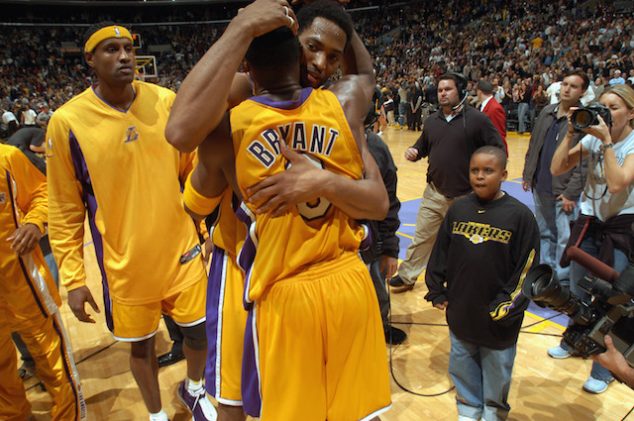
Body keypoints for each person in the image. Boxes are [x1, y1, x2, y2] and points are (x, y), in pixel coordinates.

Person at [168, 1, 386, 419]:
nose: (321, 63)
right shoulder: (239, 91)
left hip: (301, 278)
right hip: (245, 269)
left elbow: (364, 79)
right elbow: (180, 130)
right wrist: (244, 27)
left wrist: (322, 181)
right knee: (234, 398)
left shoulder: (336, 103)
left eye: (334, 56)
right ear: (290, 36)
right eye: (312, 46)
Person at [46, 23, 215, 421]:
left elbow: (194, 171)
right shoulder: (67, 122)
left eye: (127, 48)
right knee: (141, 346)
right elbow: (63, 207)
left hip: (182, 251)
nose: (124, 56)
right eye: (110, 49)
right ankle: (156, 414)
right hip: (126, 263)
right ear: (90, 58)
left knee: (198, 331)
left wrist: (206, 230)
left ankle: (194, 390)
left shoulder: (166, 100)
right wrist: (73, 279)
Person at [425, 146, 539, 421]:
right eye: (474, 170)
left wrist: (508, 304)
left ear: (503, 174)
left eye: (488, 171)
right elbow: (441, 251)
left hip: (499, 316)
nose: (479, 176)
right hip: (462, 308)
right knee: (462, 361)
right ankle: (468, 408)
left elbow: (527, 268)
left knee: (497, 368)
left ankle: (494, 412)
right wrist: (436, 287)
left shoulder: (520, 216)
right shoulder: (458, 210)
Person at [550, 83, 634, 394]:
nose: (606, 113)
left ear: (631, 113)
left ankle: (605, 369)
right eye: (603, 106)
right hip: (589, 221)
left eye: (614, 107)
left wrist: (607, 142)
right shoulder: (592, 138)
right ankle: (574, 342)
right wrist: (572, 133)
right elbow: (557, 167)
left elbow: (616, 185)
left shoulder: (627, 143)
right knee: (576, 289)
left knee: (612, 301)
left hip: (621, 229)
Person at [389, 72, 504, 292]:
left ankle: (467, 282)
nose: (443, 93)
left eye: (448, 89)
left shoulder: (477, 120)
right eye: (440, 90)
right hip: (435, 191)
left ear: (459, 91)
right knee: (422, 237)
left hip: (466, 196)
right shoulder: (432, 120)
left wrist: (488, 178)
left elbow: (496, 148)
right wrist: (414, 151)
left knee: (467, 243)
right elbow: (422, 146)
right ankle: (407, 276)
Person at [0, 143, 85, 421]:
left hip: (22, 279)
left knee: (51, 356)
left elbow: (43, 193)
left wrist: (34, 223)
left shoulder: (7, 158)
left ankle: (69, 415)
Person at [522, 70, 587, 297]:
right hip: (541, 185)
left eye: (573, 86)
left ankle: (563, 285)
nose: (567, 89)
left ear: (583, 92)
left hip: (564, 192)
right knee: (544, 234)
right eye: (565, 84)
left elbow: (584, 163)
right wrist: (527, 173)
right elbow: (534, 144)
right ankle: (548, 279)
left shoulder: (583, 120)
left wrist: (571, 192)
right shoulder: (547, 112)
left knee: (565, 239)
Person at [360, 110, 406, 344]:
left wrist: (390, 249)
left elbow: (389, 203)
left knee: (377, 284)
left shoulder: (377, 150)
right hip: (336, 238)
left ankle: (380, 324)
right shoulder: (326, 143)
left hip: (371, 237)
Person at [477, 79, 507, 155]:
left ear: (479, 92)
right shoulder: (486, 105)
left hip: (493, 154)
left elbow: (499, 134)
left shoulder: (494, 108)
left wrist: (499, 155)